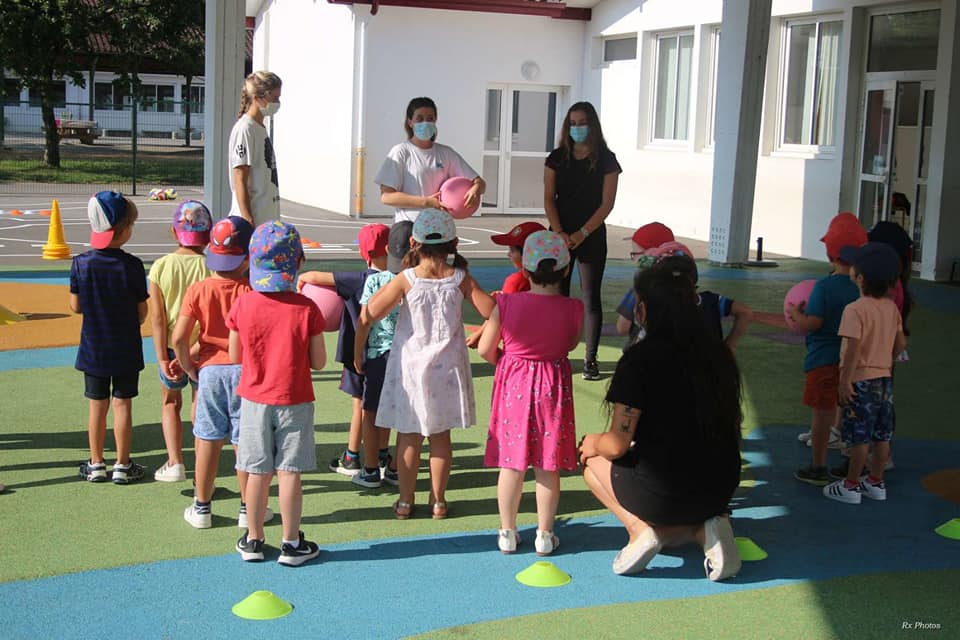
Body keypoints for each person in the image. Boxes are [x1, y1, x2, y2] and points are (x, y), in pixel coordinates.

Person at [579, 265, 743, 580]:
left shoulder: (639, 359)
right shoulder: (720, 354)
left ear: (642, 310)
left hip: (663, 492)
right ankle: (704, 530)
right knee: (687, 484)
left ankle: (641, 531)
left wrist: (592, 442)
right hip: (721, 487)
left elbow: (616, 445)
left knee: (592, 462)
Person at [364, 209, 494, 519]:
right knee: (441, 438)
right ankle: (438, 501)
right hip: (448, 371)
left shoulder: (407, 279)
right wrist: (483, 333)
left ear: (414, 242)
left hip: (411, 369)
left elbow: (372, 311)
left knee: (409, 437)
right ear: (454, 243)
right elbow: (492, 310)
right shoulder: (460, 279)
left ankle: (405, 501)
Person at [478, 231, 582, 556]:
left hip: (514, 384)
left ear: (525, 269)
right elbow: (569, 344)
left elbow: (484, 349)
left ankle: (507, 532)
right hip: (552, 384)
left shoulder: (506, 303)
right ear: (566, 269)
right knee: (547, 463)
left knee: (512, 462)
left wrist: (507, 360)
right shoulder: (573, 308)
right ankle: (545, 535)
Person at [227, 221, 325, 565]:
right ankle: (291, 542)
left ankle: (254, 539)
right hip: (294, 398)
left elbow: (235, 355)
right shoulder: (307, 308)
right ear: (298, 261)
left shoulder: (243, 304)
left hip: (254, 399)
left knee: (257, 470)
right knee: (289, 471)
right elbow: (319, 362)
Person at [173, 216, 273, 529]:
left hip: (211, 373)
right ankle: (248, 508)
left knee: (207, 438)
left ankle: (202, 507)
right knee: (245, 441)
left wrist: (190, 367)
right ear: (247, 257)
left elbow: (179, 338)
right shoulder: (253, 290)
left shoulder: (198, 290)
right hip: (246, 371)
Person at [298, 223, 393, 478]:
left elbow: (314, 277)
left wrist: (302, 280)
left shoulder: (358, 280)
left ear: (364, 253)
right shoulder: (398, 281)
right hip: (389, 356)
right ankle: (382, 453)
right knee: (384, 405)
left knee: (360, 407)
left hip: (358, 356)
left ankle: (352, 456)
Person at [71, 191, 148, 484]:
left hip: (94, 347)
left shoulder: (81, 263)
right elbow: (142, 312)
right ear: (123, 229)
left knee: (97, 404)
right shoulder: (133, 265)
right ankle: (123, 464)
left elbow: (76, 306)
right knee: (122, 404)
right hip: (126, 346)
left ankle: (96, 462)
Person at [544, 101, 622, 380]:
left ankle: (590, 359)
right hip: (559, 237)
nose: (577, 128)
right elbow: (548, 198)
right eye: (573, 124)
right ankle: (556, 353)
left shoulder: (607, 160)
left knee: (590, 297)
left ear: (593, 126)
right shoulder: (556, 158)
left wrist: (582, 233)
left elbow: (607, 204)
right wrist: (560, 233)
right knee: (557, 297)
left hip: (591, 236)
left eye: (582, 123)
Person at [823, 242, 906, 504]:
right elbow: (901, 343)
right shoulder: (891, 308)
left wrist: (845, 381)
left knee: (858, 437)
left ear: (860, 278)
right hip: (884, 380)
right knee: (882, 435)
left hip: (860, 381)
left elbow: (853, 349)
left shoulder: (855, 310)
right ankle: (875, 481)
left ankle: (850, 486)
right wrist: (885, 360)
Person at [786, 215, 867, 486]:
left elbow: (814, 322)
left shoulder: (824, 286)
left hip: (823, 360)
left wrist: (797, 316)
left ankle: (818, 466)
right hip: (856, 363)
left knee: (822, 414)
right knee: (854, 414)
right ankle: (854, 463)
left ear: (830, 252)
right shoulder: (863, 287)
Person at [148, 200, 212, 483]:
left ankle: (175, 462)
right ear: (208, 235)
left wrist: (162, 357)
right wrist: (195, 350)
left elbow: (157, 318)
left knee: (170, 402)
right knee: (201, 406)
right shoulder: (211, 266)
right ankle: (202, 468)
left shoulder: (161, 267)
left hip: (172, 348)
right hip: (204, 348)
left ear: (174, 232)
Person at [350, 221, 415, 488]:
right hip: (409, 356)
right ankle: (396, 468)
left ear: (388, 249)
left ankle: (370, 468)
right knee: (402, 413)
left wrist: (357, 353)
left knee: (370, 411)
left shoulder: (376, 280)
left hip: (379, 355)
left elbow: (364, 320)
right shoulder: (418, 282)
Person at [374, 96, 485, 223]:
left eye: (430, 118)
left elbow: (480, 183)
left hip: (440, 227)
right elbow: (387, 196)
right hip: (410, 226)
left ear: (435, 121)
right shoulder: (401, 152)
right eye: (419, 119)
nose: (425, 123)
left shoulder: (446, 153)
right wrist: (426, 202)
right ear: (410, 122)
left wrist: (476, 188)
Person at [466, 221, 546, 349]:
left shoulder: (515, 281)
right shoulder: (555, 282)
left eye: (512, 250)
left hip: (519, 346)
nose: (508, 254)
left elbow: (500, 315)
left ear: (528, 254)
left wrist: (479, 334)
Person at [228, 70, 282, 227]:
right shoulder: (245, 129)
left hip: (266, 220)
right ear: (258, 97)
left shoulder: (260, 128)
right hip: (253, 222)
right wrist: (248, 220)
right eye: (274, 98)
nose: (277, 103)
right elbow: (239, 177)